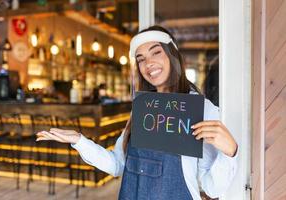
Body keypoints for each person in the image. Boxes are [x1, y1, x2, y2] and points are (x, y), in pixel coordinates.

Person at [36, 26, 238, 200]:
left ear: (172, 55)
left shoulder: (201, 109)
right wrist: (79, 140)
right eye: (141, 59)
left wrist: (230, 153)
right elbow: (117, 164)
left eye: (156, 52)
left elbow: (211, 187)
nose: (148, 63)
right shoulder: (143, 108)